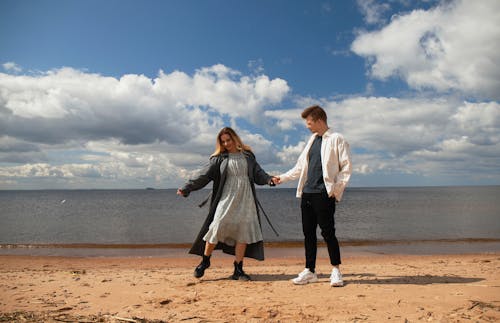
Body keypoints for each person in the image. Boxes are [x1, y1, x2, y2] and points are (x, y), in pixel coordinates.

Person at [177, 127, 276, 281]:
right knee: (216, 226)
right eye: (223, 141)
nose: (226, 143)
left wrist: (269, 179)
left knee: (243, 232)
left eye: (228, 140)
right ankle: (205, 261)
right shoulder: (219, 158)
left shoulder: (248, 156)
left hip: (246, 198)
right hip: (227, 197)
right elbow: (203, 175)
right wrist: (187, 187)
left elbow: (258, 173)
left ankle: (238, 269)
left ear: (235, 138)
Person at [275, 105, 352, 287]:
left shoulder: (336, 139)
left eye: (309, 122)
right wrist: (282, 178)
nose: (307, 126)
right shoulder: (311, 141)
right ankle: (310, 271)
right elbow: (300, 167)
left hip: (324, 194)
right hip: (307, 194)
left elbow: (346, 168)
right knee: (308, 234)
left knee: (328, 233)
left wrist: (333, 190)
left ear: (319, 120)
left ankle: (336, 270)